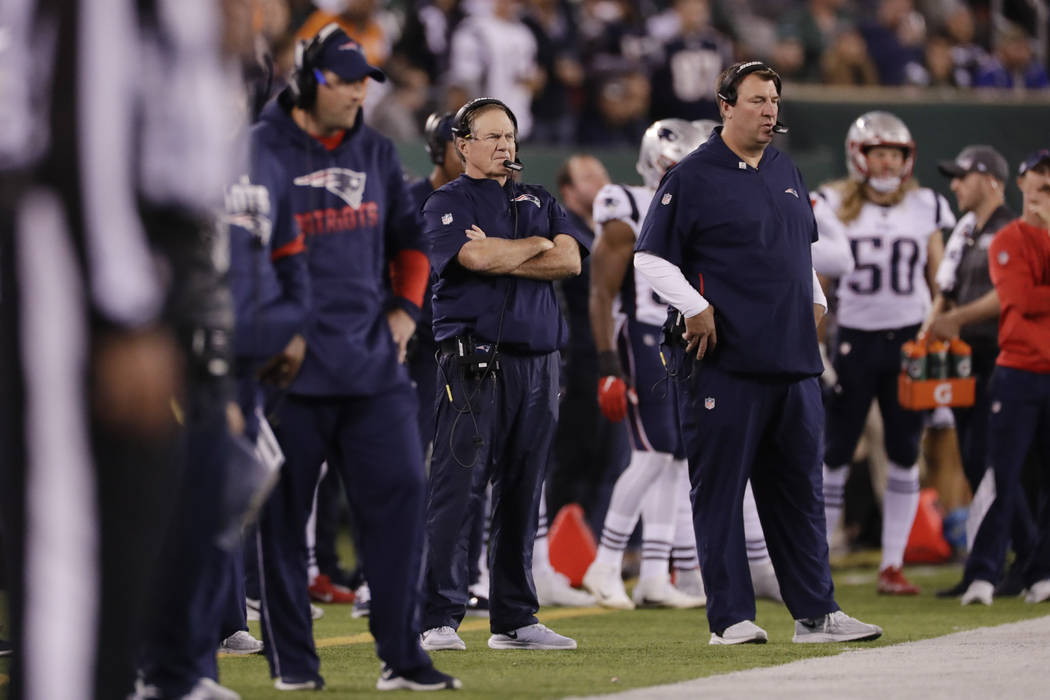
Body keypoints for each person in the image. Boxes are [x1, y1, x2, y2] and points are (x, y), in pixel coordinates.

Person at [634, 60, 882, 645]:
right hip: (728, 365)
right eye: (756, 99)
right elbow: (650, 256)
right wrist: (693, 306)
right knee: (720, 491)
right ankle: (730, 619)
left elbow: (800, 254)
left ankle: (815, 614)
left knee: (800, 495)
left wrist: (815, 302)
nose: (769, 109)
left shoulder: (786, 168)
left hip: (795, 365)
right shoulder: (692, 175)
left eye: (774, 99)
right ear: (725, 105)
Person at [246, 24, 459, 691]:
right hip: (286, 373)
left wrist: (406, 310)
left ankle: (403, 657)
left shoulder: (373, 148)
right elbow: (234, 252)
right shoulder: (256, 150)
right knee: (282, 523)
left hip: (371, 365)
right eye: (348, 81)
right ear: (313, 81)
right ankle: (295, 666)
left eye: (367, 80)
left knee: (401, 497)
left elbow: (412, 240)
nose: (360, 92)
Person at [418, 97, 588, 652]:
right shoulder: (446, 200)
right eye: (492, 137)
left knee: (522, 491)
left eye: (510, 137)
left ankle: (514, 618)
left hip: (539, 365)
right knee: (457, 488)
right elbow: (473, 261)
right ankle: (438, 616)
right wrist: (533, 245)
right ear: (462, 144)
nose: (504, 147)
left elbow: (569, 260)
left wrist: (512, 249)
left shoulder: (538, 197)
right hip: (472, 364)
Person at [818, 110, 953, 596]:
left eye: (895, 153)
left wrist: (936, 333)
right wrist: (817, 341)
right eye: (879, 152)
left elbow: (939, 279)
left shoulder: (924, 206)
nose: (888, 162)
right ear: (859, 155)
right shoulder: (833, 203)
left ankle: (891, 564)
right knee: (835, 452)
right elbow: (819, 281)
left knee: (903, 452)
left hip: (908, 341)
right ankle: (822, 556)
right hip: (852, 338)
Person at [582, 118, 710, 611]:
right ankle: (605, 562)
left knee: (676, 456)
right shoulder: (627, 204)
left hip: (678, 339)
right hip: (641, 334)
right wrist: (609, 362)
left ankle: (655, 574)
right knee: (653, 453)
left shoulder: (696, 212)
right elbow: (600, 292)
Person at [926, 145, 1036, 598]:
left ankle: (1016, 559)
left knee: (998, 462)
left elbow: (1008, 295)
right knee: (975, 458)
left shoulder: (1013, 229)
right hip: (965, 354)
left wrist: (956, 319)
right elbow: (945, 289)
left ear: (991, 179)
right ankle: (1021, 555)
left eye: (963, 176)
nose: (954, 185)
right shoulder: (966, 232)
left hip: (1000, 353)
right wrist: (932, 327)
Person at [959, 149, 1050, 607]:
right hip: (1017, 371)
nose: (1041, 199)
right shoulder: (1006, 238)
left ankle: (1041, 572)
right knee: (1002, 474)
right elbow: (1021, 299)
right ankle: (982, 574)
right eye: (1038, 188)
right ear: (1021, 187)